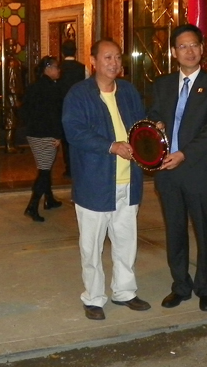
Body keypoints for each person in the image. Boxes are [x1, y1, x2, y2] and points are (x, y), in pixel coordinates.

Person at [62, 38, 150, 321]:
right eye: (107, 57)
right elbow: (74, 131)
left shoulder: (128, 92)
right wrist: (110, 146)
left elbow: (138, 124)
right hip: (95, 182)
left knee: (126, 240)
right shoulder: (79, 94)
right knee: (92, 244)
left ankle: (124, 291)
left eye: (117, 57)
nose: (114, 63)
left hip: (128, 181)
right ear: (94, 61)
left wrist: (150, 131)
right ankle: (94, 297)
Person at [148, 24, 207, 313]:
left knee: (206, 233)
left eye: (194, 45)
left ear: (202, 48)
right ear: (174, 52)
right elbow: (155, 114)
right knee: (175, 232)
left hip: (200, 172)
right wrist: (156, 125)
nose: (189, 51)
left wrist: (184, 154)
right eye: (183, 46)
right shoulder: (162, 84)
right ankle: (180, 285)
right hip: (168, 174)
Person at [22, 56, 64, 222]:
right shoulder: (52, 88)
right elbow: (54, 115)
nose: (58, 70)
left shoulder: (33, 87)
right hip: (46, 134)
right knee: (45, 171)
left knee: (45, 166)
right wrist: (58, 136)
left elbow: (25, 110)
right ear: (48, 68)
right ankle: (32, 206)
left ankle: (49, 199)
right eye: (56, 67)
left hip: (33, 133)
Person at [59, 39, 87, 178]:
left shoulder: (58, 68)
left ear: (62, 52)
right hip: (80, 107)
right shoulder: (83, 67)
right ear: (75, 51)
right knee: (80, 135)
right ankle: (78, 166)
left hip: (62, 106)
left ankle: (69, 167)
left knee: (65, 138)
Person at [3, 38, 24, 153]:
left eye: (14, 45)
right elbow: (12, 82)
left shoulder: (13, 60)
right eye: (10, 46)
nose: (12, 48)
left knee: (13, 120)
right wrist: (14, 97)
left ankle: (12, 143)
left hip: (13, 95)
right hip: (11, 96)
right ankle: (9, 145)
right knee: (10, 121)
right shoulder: (11, 62)